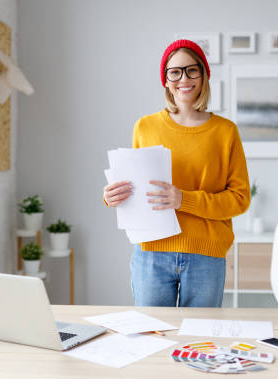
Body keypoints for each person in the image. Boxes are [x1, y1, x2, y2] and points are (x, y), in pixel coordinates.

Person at [103, 39, 250, 307]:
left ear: (203, 75)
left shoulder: (226, 132)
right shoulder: (145, 127)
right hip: (151, 254)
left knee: (199, 342)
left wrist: (184, 200)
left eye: (192, 70)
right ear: (166, 80)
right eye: (175, 71)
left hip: (205, 256)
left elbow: (240, 200)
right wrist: (113, 195)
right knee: (152, 338)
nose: (184, 78)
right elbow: (134, 187)